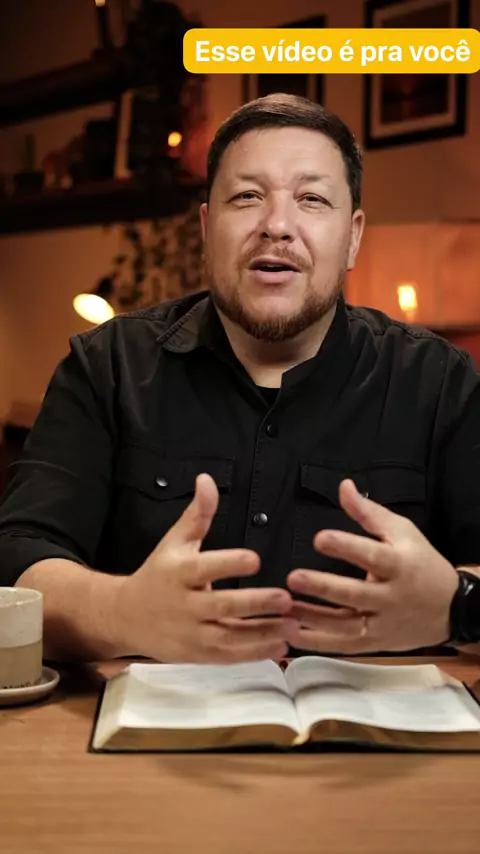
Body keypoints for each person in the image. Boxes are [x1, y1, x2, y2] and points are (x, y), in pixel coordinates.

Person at [1, 93, 480, 665]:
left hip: (382, 723)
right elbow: (18, 557)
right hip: (147, 721)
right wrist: (121, 611)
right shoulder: (106, 368)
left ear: (353, 237)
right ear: (208, 227)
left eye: (311, 199)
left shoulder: (439, 383)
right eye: (248, 196)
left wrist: (459, 604)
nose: (276, 225)